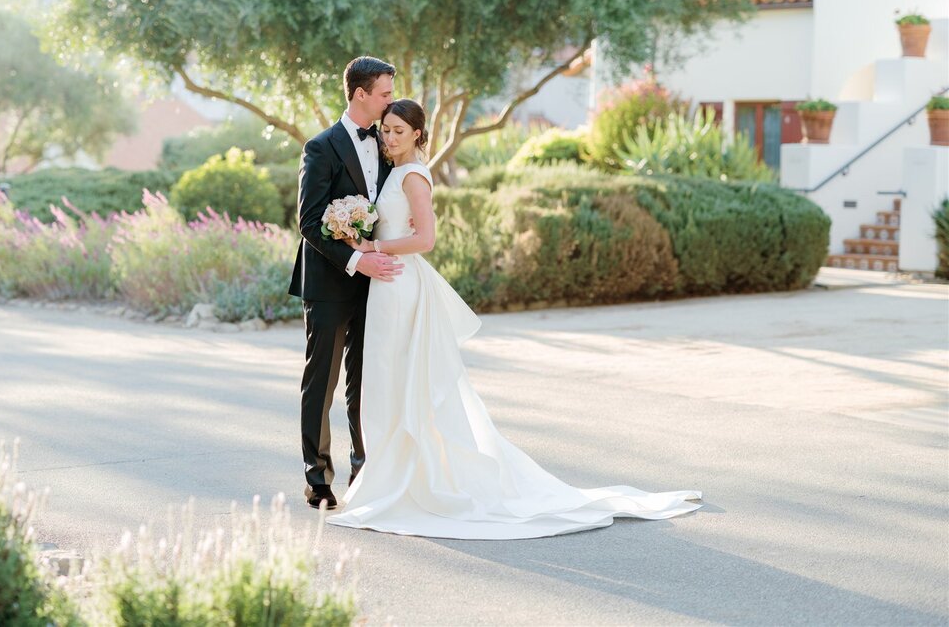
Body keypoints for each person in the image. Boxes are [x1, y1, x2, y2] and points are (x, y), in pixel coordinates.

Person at [324, 98, 702, 538]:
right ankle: (389, 481)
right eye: (385, 129)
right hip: (387, 286)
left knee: (403, 382)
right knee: (385, 383)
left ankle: (411, 484)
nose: (388, 137)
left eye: (398, 131)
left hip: (401, 282)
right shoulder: (394, 172)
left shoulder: (412, 176)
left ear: (418, 136)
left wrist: (373, 249)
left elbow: (425, 239)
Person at [289, 56, 405, 511]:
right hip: (330, 282)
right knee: (322, 381)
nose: (390, 101)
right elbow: (310, 221)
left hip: (378, 285)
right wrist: (357, 258)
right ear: (360, 94)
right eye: (384, 94)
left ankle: (364, 472)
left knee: (366, 381)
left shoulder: (387, 142)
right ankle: (317, 480)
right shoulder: (320, 147)